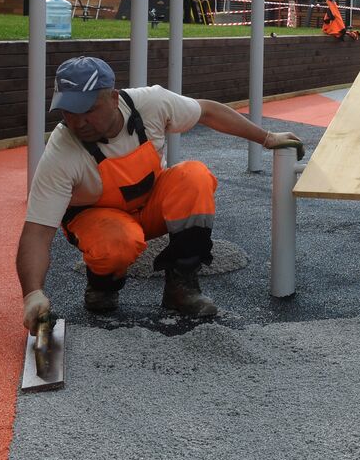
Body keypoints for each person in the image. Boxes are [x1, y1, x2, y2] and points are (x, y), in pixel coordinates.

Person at [18, 55, 303, 329]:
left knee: (195, 176)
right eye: (69, 112)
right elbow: (36, 233)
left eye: (88, 110)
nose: (78, 122)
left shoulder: (150, 104)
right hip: (98, 218)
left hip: (149, 205)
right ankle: (103, 285)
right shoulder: (61, 151)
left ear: (114, 98)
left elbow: (207, 111)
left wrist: (267, 138)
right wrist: (33, 295)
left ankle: (181, 286)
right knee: (117, 241)